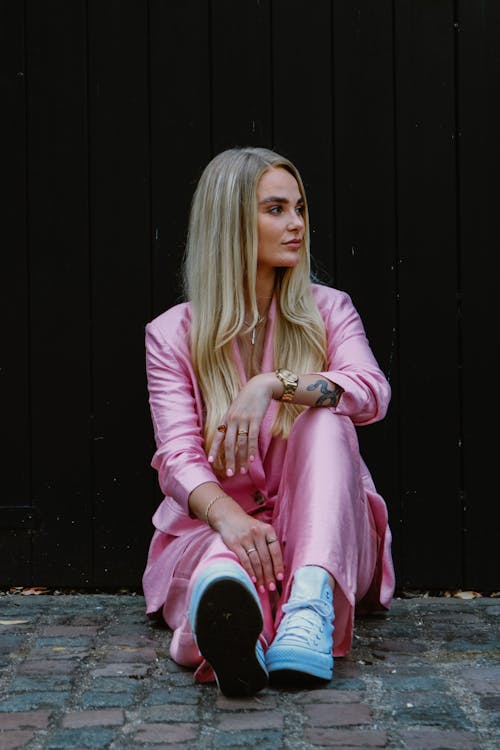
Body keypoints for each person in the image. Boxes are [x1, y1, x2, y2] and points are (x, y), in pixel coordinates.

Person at [142, 146, 395, 697]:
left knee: (327, 420)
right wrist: (230, 517)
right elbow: (177, 457)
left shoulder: (329, 309)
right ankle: (223, 625)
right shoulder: (171, 335)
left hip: (324, 529)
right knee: (222, 556)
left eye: (299, 208)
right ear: (231, 223)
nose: (297, 224)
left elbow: (372, 393)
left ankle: (305, 605)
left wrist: (273, 384)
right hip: (219, 528)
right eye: (276, 209)